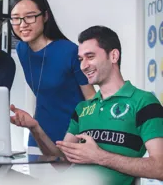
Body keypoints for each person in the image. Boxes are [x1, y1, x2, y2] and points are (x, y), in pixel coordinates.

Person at [10, 26, 163, 184]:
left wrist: (99, 156)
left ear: (114, 56)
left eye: (90, 56)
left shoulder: (143, 102)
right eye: (81, 59)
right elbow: (60, 161)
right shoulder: (82, 108)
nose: (83, 66)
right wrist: (35, 127)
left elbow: (160, 167)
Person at [9, 0, 95, 147]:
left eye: (30, 17)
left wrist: (89, 138)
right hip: (39, 136)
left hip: (73, 137)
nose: (22, 24)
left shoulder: (70, 52)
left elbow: (91, 99)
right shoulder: (22, 49)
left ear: (45, 16)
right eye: (16, 18)